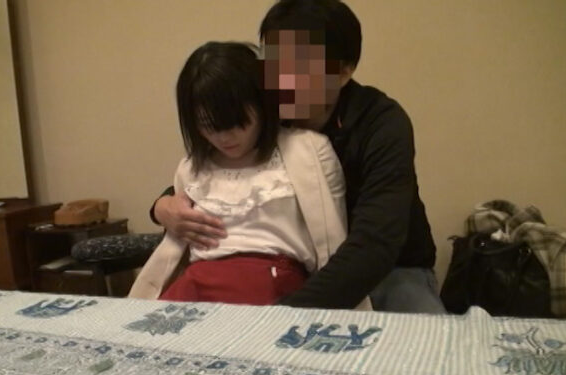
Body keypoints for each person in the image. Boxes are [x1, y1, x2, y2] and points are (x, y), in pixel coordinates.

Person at [150, 0, 446, 313]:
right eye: (273, 63)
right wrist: (162, 206)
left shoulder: (381, 123)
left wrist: (285, 315)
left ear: (343, 71)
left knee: (429, 336)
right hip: (302, 271)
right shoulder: (267, 116)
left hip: (388, 270)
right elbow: (218, 176)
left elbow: (376, 243)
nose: (281, 80)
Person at [128, 41, 350, 306]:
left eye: (237, 122)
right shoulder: (191, 168)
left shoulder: (309, 150)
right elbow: (179, 236)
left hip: (274, 279)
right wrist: (162, 208)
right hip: (197, 282)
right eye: (208, 126)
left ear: (261, 104)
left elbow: (335, 233)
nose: (224, 137)